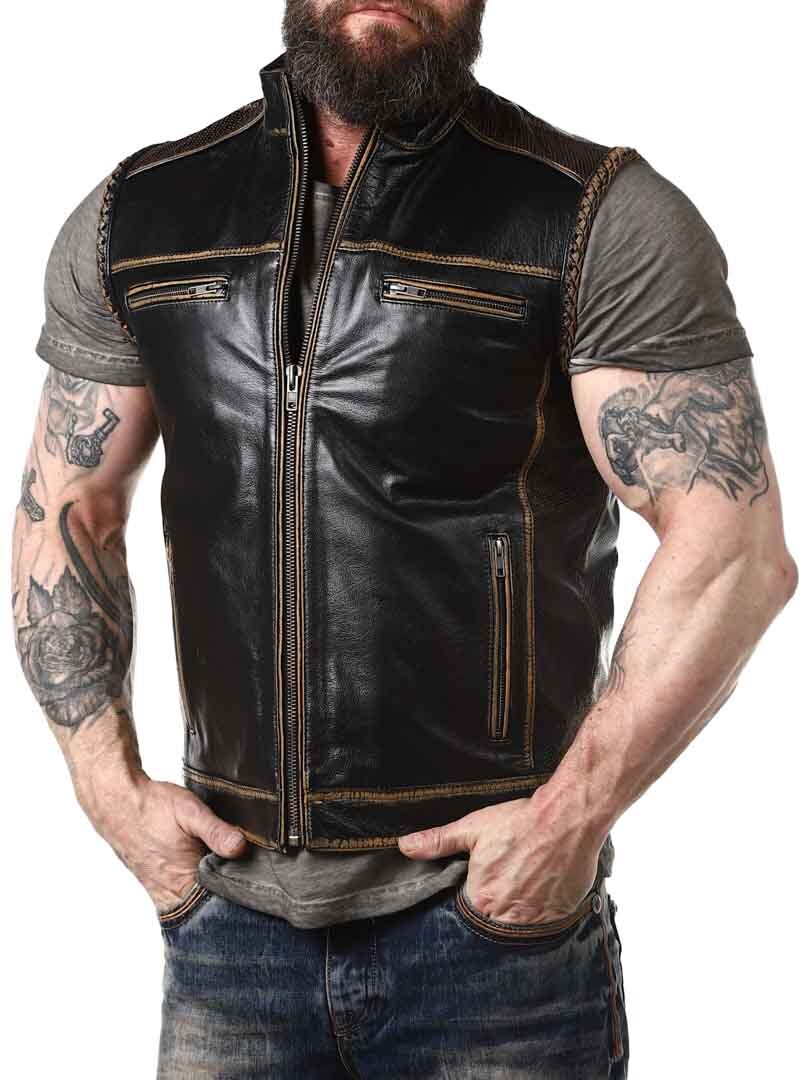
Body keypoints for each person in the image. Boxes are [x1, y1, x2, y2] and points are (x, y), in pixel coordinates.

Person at [12, 0, 798, 1076]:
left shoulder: (588, 214)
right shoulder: (140, 215)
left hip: (493, 931)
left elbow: (733, 547)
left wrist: (566, 824)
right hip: (228, 932)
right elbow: (68, 509)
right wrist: (110, 793)